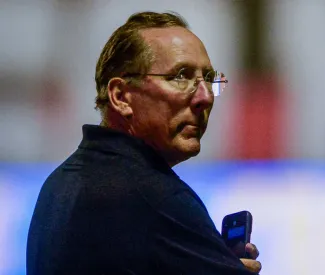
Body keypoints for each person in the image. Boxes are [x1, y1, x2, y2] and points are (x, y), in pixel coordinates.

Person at [27, 11, 261, 274]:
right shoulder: (157, 199)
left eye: (209, 78)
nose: (205, 97)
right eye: (180, 76)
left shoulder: (58, 185)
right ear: (121, 96)